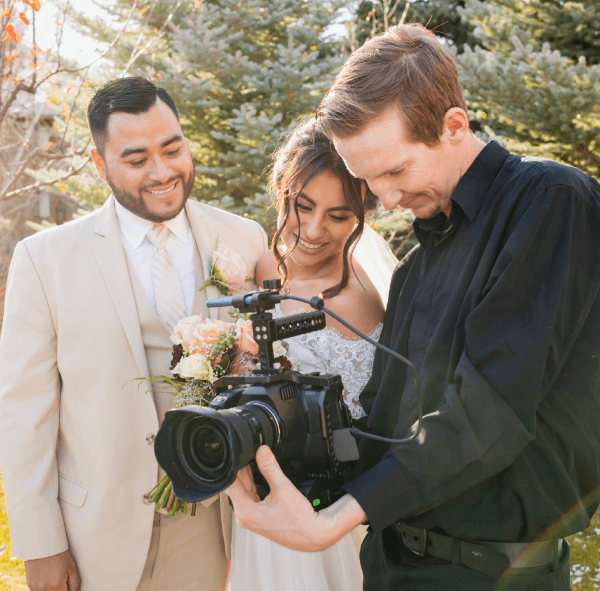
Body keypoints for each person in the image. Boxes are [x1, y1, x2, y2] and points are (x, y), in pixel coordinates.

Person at [224, 24, 600, 591]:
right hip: (390, 564)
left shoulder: (550, 202)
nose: (389, 199)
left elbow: (490, 406)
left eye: (395, 171)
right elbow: (380, 417)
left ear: (454, 125)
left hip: (491, 572)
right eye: (369, 180)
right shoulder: (416, 269)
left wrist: (337, 519)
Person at [0, 77, 268, 591]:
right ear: (101, 166)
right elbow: (23, 415)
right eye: (137, 159)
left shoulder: (243, 238)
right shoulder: (44, 260)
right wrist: (40, 545)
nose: (163, 172)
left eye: (173, 148)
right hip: (99, 535)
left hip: (223, 529)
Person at [228, 119, 398, 591]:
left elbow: (368, 420)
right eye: (302, 206)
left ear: (364, 217)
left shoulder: (355, 296)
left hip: (321, 507)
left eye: (339, 216)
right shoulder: (266, 266)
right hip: (263, 505)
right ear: (282, 189)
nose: (313, 230)